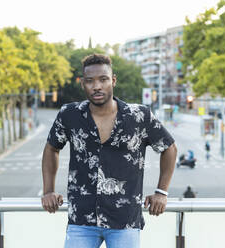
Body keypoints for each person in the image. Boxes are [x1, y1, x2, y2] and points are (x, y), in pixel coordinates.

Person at [41, 54, 177, 248]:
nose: (97, 86)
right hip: (82, 220)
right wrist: (48, 190)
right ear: (83, 84)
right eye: (90, 81)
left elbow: (169, 148)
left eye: (103, 79)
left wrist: (161, 192)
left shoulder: (139, 116)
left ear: (113, 81)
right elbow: (51, 148)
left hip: (125, 220)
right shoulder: (69, 114)